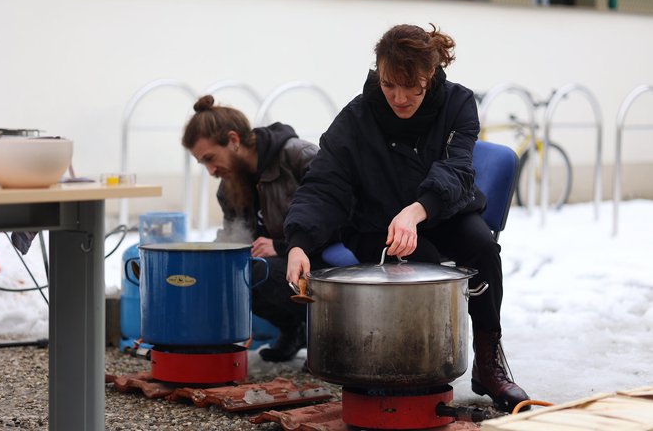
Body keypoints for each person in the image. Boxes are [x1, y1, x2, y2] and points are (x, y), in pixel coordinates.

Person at [284, 24, 530, 412]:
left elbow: (458, 169)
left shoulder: (458, 103)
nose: (399, 97)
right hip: (375, 223)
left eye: (410, 85)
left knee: (482, 247)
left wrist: (416, 211)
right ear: (378, 74)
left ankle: (488, 361)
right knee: (421, 265)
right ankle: (415, 369)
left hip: (442, 209)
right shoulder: (356, 118)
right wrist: (299, 242)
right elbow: (324, 185)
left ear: (430, 74)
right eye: (389, 85)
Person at [181, 94, 324, 362]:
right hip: (279, 265)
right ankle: (295, 330)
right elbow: (233, 235)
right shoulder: (229, 187)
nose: (211, 171)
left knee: (258, 272)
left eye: (211, 158)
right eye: (203, 163)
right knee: (227, 270)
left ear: (234, 140)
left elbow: (343, 219)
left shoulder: (298, 156)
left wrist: (283, 246)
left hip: (323, 259)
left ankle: (325, 338)